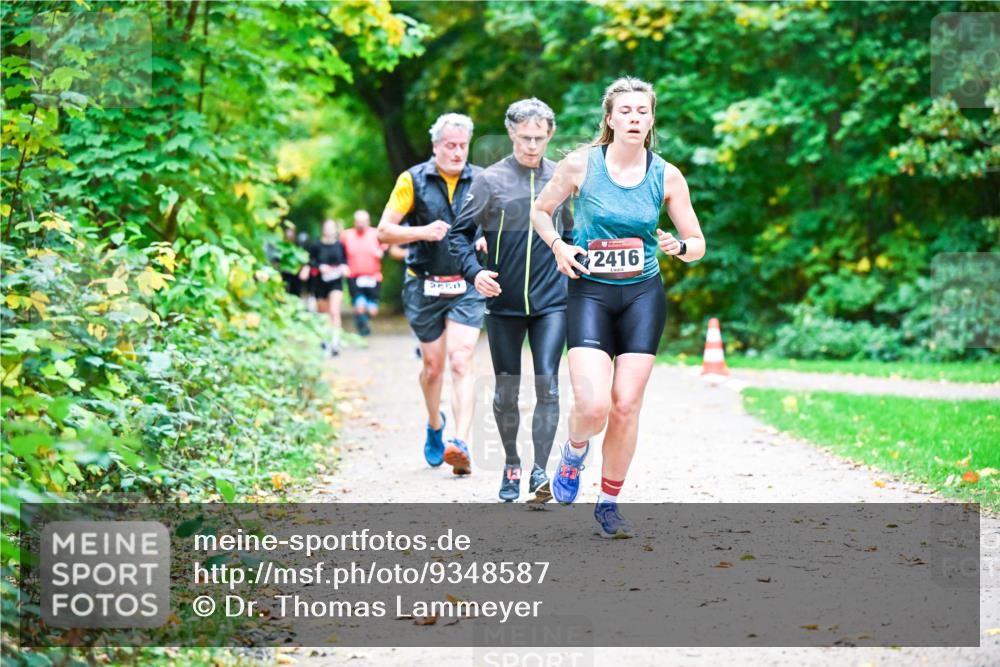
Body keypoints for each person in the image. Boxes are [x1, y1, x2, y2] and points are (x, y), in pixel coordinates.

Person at [530, 77, 706, 537]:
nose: (634, 118)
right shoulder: (580, 165)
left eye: (642, 111)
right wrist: (558, 246)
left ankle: (608, 502)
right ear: (610, 118)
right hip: (590, 292)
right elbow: (540, 211)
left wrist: (679, 247)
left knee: (625, 406)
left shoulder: (666, 175)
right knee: (593, 406)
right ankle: (574, 452)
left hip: (642, 296)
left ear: (651, 120)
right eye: (625, 111)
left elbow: (697, 242)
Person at [448, 98, 572, 504]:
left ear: (550, 135)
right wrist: (475, 273)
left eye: (539, 138)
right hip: (503, 303)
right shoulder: (491, 180)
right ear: (511, 134)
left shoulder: (562, 179)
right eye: (524, 138)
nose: (532, 146)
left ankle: (539, 472)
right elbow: (458, 235)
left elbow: (574, 234)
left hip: (552, 301)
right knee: (506, 391)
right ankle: (512, 463)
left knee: (548, 385)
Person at [376, 113, 485, 476]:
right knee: (433, 367)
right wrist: (422, 232)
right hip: (424, 282)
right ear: (435, 146)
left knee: (461, 360)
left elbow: (499, 222)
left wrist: (488, 238)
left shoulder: (482, 179)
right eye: (450, 146)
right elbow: (384, 232)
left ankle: (461, 442)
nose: (457, 153)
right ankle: (435, 424)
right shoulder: (412, 180)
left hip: (466, 284)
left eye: (463, 146)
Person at [307, 218, 349, 356]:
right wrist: (320, 267)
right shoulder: (316, 245)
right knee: (323, 315)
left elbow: (345, 261)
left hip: (335, 282)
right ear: (323, 229)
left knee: (334, 311)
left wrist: (344, 267)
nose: (329, 230)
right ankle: (325, 341)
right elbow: (310, 261)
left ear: (335, 229)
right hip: (320, 283)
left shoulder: (340, 245)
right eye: (327, 227)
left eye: (332, 227)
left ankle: (336, 343)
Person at [341, 209, 387, 337]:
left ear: (368, 222)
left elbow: (386, 249)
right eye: (358, 221)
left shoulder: (376, 234)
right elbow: (340, 253)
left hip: (373, 277)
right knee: (360, 305)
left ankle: (362, 320)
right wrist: (343, 266)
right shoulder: (346, 235)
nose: (361, 224)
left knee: (372, 310)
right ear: (354, 222)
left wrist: (382, 253)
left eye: (363, 221)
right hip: (354, 276)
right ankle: (362, 328)